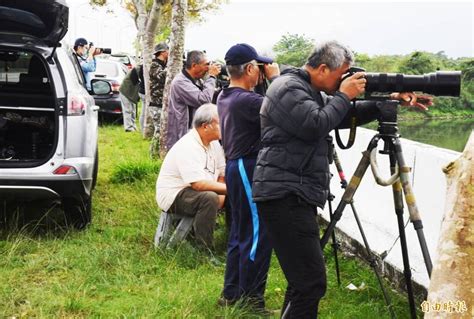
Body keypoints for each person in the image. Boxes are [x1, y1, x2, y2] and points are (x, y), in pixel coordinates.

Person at [252, 41, 433, 318]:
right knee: (311, 283)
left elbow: (342, 115)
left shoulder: (307, 89)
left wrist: (390, 98)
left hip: (292, 193)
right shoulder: (287, 88)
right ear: (323, 68)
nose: (345, 81)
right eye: (342, 75)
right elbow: (316, 124)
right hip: (285, 195)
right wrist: (345, 95)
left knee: (303, 282)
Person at [216, 43, 280, 310]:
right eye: (259, 68)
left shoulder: (225, 95)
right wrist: (275, 79)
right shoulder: (247, 101)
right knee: (256, 235)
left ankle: (231, 293)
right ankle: (252, 301)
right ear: (251, 68)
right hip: (246, 167)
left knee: (240, 233)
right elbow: (283, 107)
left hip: (236, 166)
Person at [156, 103, 227, 248]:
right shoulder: (188, 146)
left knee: (231, 194)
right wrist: (228, 190)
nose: (224, 126)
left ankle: (234, 239)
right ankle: (204, 249)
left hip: (195, 191)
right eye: (220, 123)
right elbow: (198, 184)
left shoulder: (214, 144)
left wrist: (224, 194)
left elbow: (222, 172)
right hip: (174, 194)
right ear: (205, 126)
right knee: (209, 198)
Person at [165, 50, 221, 151]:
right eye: (206, 64)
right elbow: (204, 100)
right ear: (194, 65)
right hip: (182, 135)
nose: (208, 68)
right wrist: (212, 77)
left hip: (191, 132)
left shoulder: (196, 80)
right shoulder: (180, 82)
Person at [142, 42, 169, 136]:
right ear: (162, 52)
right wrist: (170, 67)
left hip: (163, 102)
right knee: (159, 131)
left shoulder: (163, 64)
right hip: (156, 104)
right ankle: (154, 150)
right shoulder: (154, 65)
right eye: (168, 50)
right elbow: (162, 77)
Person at [119, 66, 141, 132]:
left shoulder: (139, 70)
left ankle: (133, 126)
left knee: (133, 111)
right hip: (125, 92)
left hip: (132, 93)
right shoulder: (137, 70)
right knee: (128, 110)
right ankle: (128, 127)